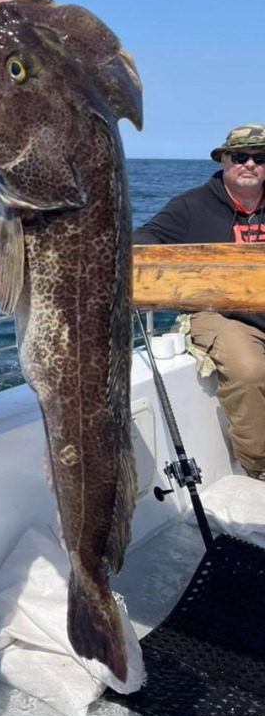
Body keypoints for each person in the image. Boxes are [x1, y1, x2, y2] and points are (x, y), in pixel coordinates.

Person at [134, 124, 265, 480]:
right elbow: (144, 239)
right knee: (249, 369)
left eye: (260, 157)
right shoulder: (191, 206)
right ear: (224, 160)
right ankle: (260, 466)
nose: (250, 164)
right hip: (219, 314)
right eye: (240, 157)